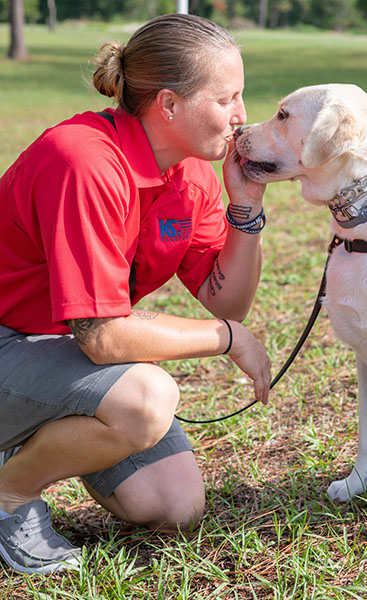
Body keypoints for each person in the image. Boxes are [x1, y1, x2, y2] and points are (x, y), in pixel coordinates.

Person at [0, 14, 271, 574]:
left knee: (174, 505)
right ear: (169, 105)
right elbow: (103, 337)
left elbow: (226, 301)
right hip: (11, 340)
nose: (243, 116)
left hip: (52, 351)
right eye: (228, 99)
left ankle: (21, 438)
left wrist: (246, 210)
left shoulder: (192, 175)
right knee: (143, 398)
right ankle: (8, 495)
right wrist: (228, 340)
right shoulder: (84, 162)